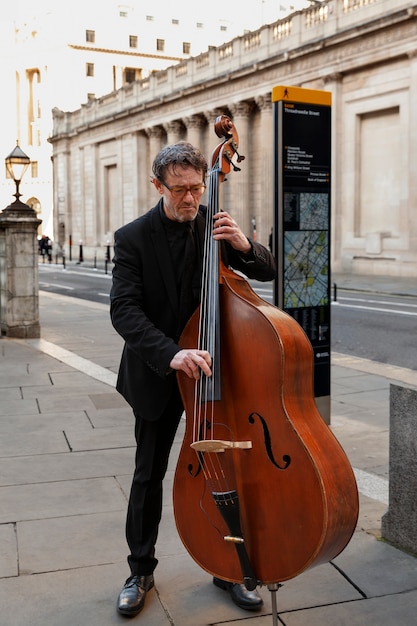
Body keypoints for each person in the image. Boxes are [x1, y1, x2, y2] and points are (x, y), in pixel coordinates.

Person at [110, 141, 276, 618]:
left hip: (217, 373)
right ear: (157, 185)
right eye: (180, 189)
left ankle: (230, 567)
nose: (191, 198)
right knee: (148, 475)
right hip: (161, 374)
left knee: (228, 472)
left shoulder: (214, 223)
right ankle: (139, 570)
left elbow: (263, 271)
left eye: (198, 187)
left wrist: (245, 246)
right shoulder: (132, 238)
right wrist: (172, 353)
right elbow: (124, 311)